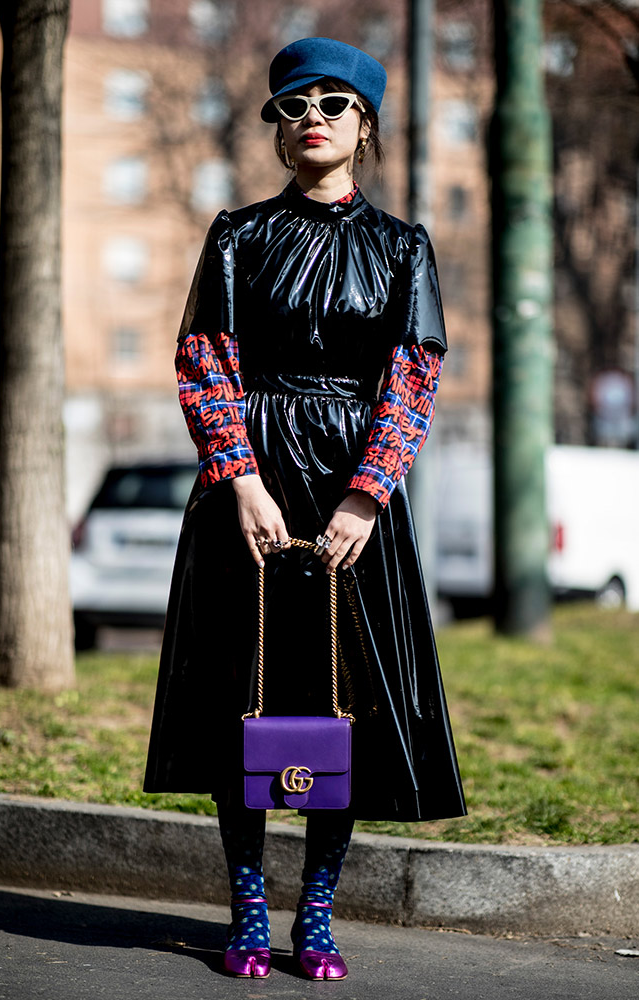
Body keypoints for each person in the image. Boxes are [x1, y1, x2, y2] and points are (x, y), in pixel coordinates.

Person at [144, 36, 466, 981]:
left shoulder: (402, 245)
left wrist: (368, 496)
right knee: (241, 701)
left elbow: (414, 373)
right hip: (246, 494)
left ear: (364, 125)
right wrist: (239, 479)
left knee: (348, 704)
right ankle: (247, 906)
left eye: (333, 102)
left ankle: (315, 915)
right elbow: (205, 358)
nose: (312, 116)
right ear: (278, 131)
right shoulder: (236, 235)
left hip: (351, 499)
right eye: (292, 105)